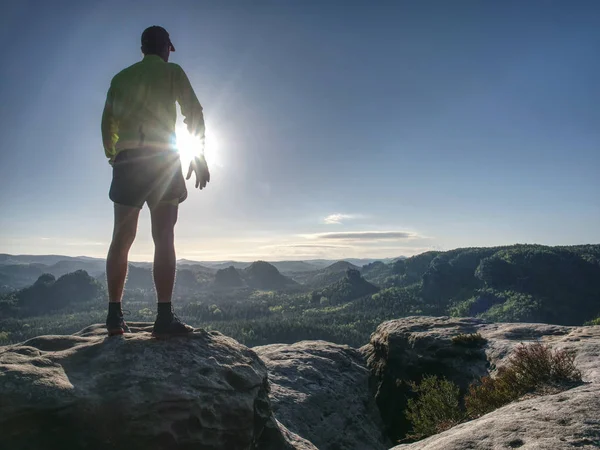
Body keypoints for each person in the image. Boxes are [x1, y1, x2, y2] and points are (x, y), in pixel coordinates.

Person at [101, 26, 210, 337]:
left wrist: (114, 154)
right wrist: (198, 154)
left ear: (142, 49)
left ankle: (113, 317)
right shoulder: (172, 72)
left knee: (121, 238)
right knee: (163, 237)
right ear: (166, 48)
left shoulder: (120, 78)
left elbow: (107, 122)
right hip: (162, 160)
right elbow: (194, 112)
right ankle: (164, 318)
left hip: (129, 161)